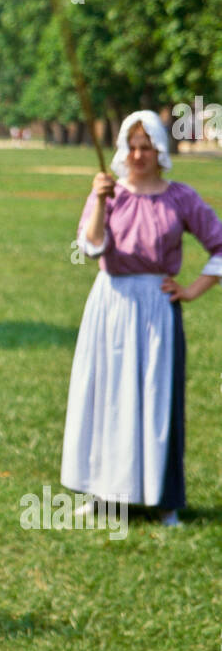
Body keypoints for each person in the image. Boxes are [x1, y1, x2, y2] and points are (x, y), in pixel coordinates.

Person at [61, 110, 222, 524]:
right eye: (132, 147)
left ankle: (163, 499)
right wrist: (98, 199)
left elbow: (219, 246)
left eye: (146, 147)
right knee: (106, 395)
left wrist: (190, 290)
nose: (138, 155)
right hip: (110, 304)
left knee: (155, 399)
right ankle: (102, 493)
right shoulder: (109, 193)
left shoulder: (180, 197)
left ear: (160, 150)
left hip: (156, 309)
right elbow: (92, 246)